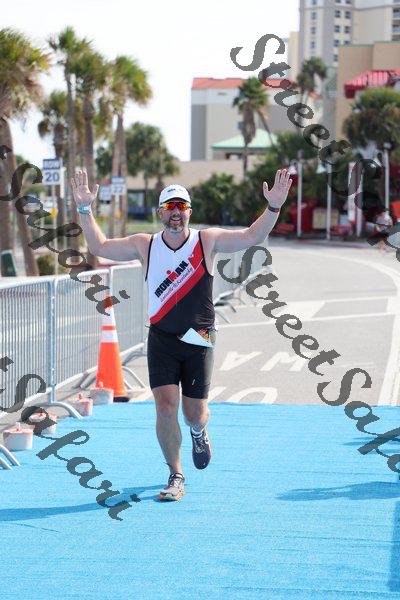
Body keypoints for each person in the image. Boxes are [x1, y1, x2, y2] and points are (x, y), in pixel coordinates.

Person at [71, 169, 292, 501]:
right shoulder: (145, 244)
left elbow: (250, 236)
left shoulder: (207, 240)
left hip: (199, 337)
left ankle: (199, 431)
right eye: (169, 206)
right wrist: (84, 208)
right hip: (162, 337)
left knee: (193, 413)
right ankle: (175, 474)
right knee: (164, 406)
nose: (176, 212)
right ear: (160, 213)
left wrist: (273, 207)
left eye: (181, 206)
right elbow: (99, 246)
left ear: (189, 211)